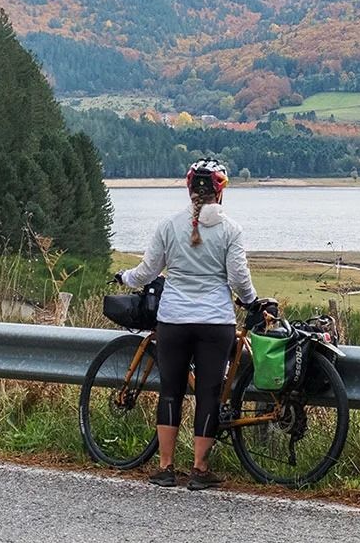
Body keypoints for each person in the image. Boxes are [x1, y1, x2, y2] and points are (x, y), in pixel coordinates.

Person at [115, 158, 257, 490]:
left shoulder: (169, 226)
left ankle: (165, 468)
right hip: (214, 323)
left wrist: (124, 277)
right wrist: (251, 301)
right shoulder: (230, 230)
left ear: (189, 188)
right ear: (220, 193)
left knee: (171, 391)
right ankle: (199, 470)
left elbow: (147, 272)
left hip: (173, 321)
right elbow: (238, 278)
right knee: (208, 393)